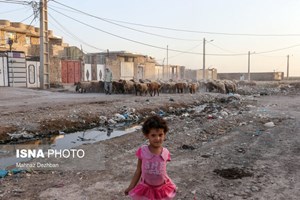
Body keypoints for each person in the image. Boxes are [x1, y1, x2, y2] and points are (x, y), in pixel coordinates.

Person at [125, 115, 176, 200]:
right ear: (147, 135)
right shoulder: (143, 151)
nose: (157, 138)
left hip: (162, 188)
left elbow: (163, 171)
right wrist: (131, 186)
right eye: (153, 135)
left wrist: (171, 183)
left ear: (164, 134)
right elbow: (138, 170)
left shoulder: (166, 152)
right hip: (146, 188)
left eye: (160, 134)